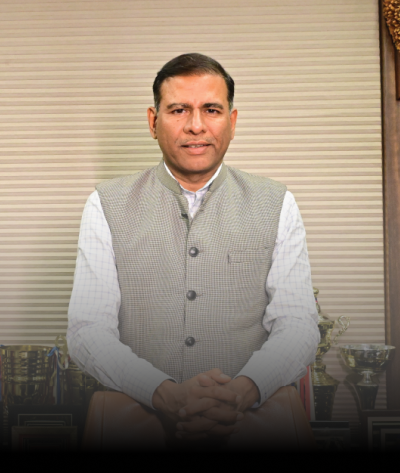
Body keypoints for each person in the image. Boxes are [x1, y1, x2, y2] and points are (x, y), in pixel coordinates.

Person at [67, 53, 320, 443]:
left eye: (211, 110)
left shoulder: (277, 203)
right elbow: (88, 330)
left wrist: (243, 391)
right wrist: (162, 392)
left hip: (253, 419)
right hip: (136, 419)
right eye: (179, 110)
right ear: (153, 121)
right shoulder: (105, 204)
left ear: (232, 122)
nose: (196, 125)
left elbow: (298, 324)